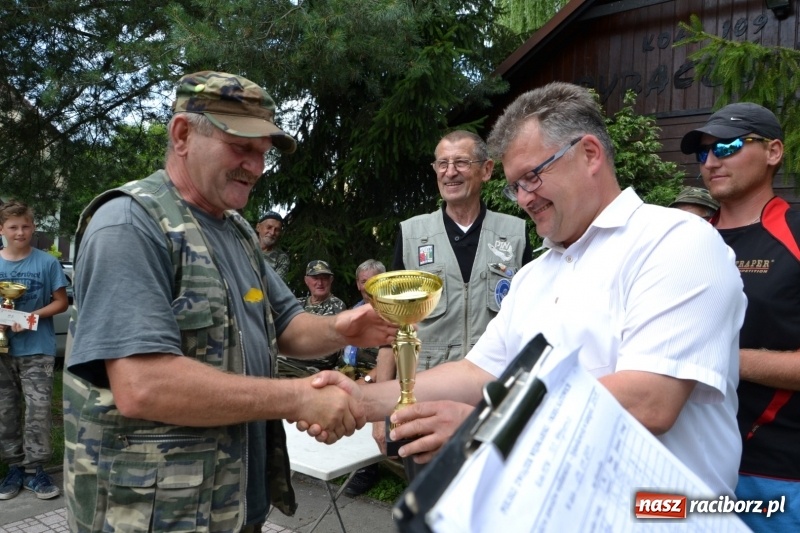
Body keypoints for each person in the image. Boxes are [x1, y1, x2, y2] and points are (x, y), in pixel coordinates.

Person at [309, 81, 747, 498]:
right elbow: (476, 373)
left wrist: (482, 426)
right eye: (515, 185)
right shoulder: (536, 273)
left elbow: (649, 401)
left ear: (589, 153)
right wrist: (361, 399)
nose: (522, 198)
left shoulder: (675, 240)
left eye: (532, 177)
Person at [62, 71, 396, 533]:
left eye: (262, 153)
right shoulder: (129, 225)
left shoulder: (236, 230)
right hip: (156, 515)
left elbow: (285, 324)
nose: (256, 167)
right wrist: (296, 398)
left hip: (233, 502)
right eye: (242, 147)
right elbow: (142, 384)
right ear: (182, 134)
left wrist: (343, 328)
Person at [371, 130, 532, 454]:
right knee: (429, 497)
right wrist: (379, 410)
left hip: (492, 397)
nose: (450, 171)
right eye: (442, 164)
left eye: (460, 162)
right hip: (425, 397)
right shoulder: (413, 234)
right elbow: (390, 330)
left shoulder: (515, 234)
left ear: (486, 170)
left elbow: (529, 325)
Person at [680, 102, 800, 531]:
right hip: (684, 465)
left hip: (773, 473)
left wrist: (722, 361)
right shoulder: (684, 241)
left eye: (728, 146)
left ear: (773, 152)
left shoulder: (795, 235)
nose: (711, 162)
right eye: (703, 153)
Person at [0, 200, 68, 501]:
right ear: (1, 229)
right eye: (13, 227)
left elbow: (62, 302)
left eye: (25, 226)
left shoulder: (47, 263)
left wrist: (31, 317)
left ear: (33, 227)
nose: (20, 232)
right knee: (6, 411)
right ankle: (13, 467)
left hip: (37, 349)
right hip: (3, 351)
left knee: (38, 411)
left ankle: (35, 469)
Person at [341, 259, 386, 496]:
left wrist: (366, 380)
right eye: (362, 281)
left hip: (382, 377)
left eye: (372, 281)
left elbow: (394, 354)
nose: (366, 287)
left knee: (363, 397)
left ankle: (366, 469)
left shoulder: (392, 309)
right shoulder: (357, 309)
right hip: (355, 371)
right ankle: (343, 458)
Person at [277, 260, 346, 378]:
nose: (320, 283)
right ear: (306, 281)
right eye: (315, 278)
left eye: (324, 278)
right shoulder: (297, 304)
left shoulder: (336, 306)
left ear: (331, 280)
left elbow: (325, 345)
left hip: (309, 367)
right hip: (283, 363)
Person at [257, 211, 290, 279]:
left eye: (277, 230)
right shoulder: (243, 247)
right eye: (269, 227)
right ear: (258, 227)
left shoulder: (281, 258)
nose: (272, 233)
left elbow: (275, 286)